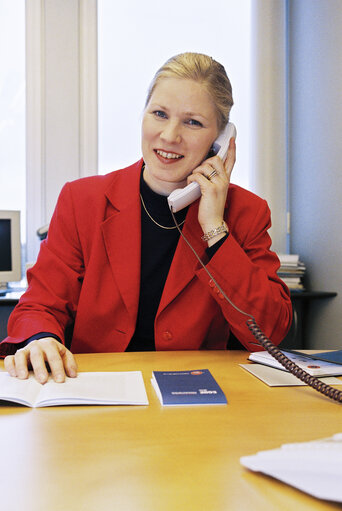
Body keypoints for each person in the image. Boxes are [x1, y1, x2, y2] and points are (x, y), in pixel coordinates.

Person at [1, 52, 292, 383]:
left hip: (198, 398)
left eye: (193, 122)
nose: (169, 135)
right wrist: (41, 340)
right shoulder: (83, 201)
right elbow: (39, 306)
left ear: (221, 141)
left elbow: (269, 333)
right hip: (96, 391)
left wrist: (214, 229)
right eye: (159, 114)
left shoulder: (245, 213)